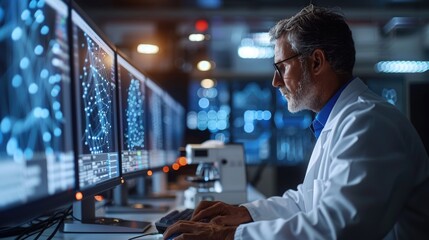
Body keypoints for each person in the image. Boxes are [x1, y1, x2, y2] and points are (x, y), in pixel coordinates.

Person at [164, 4, 429, 240]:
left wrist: (230, 235)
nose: (275, 81)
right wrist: (244, 213)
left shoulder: (369, 123)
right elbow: (307, 201)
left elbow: (338, 227)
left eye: (282, 67)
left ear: (316, 62)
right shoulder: (341, 119)